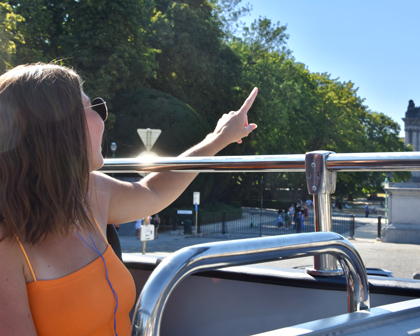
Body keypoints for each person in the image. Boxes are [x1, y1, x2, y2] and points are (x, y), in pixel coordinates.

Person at [0, 63, 258, 335]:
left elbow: (153, 191)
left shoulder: (90, 192)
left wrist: (218, 139)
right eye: (93, 108)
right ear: (57, 130)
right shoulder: (6, 243)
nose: (104, 118)